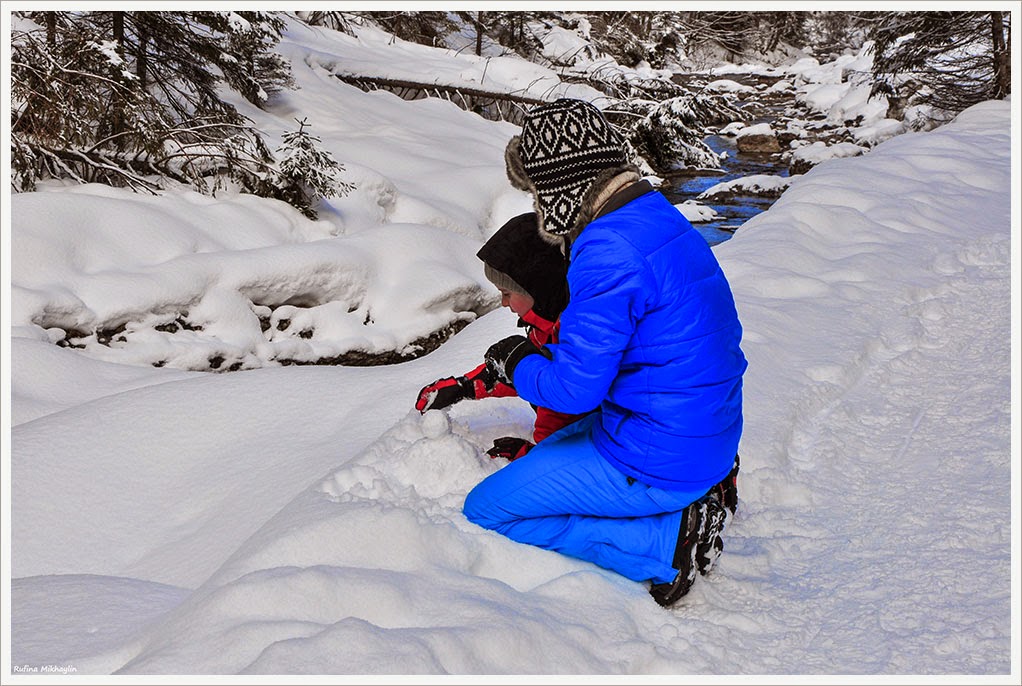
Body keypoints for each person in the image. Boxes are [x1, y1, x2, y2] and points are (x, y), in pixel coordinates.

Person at [462, 98, 747, 607]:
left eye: (536, 192)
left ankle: (663, 545)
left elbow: (574, 390)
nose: (537, 208)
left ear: (560, 186)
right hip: (703, 431)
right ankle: (679, 503)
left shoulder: (605, 250)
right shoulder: (652, 214)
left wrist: (515, 361)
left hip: (662, 454)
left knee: (487, 508)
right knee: (547, 458)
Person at [415, 212, 589, 460]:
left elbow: (563, 400)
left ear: (536, 287)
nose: (503, 302)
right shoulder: (548, 321)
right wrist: (465, 386)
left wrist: (536, 456)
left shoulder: (578, 331)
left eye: (506, 292)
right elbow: (525, 371)